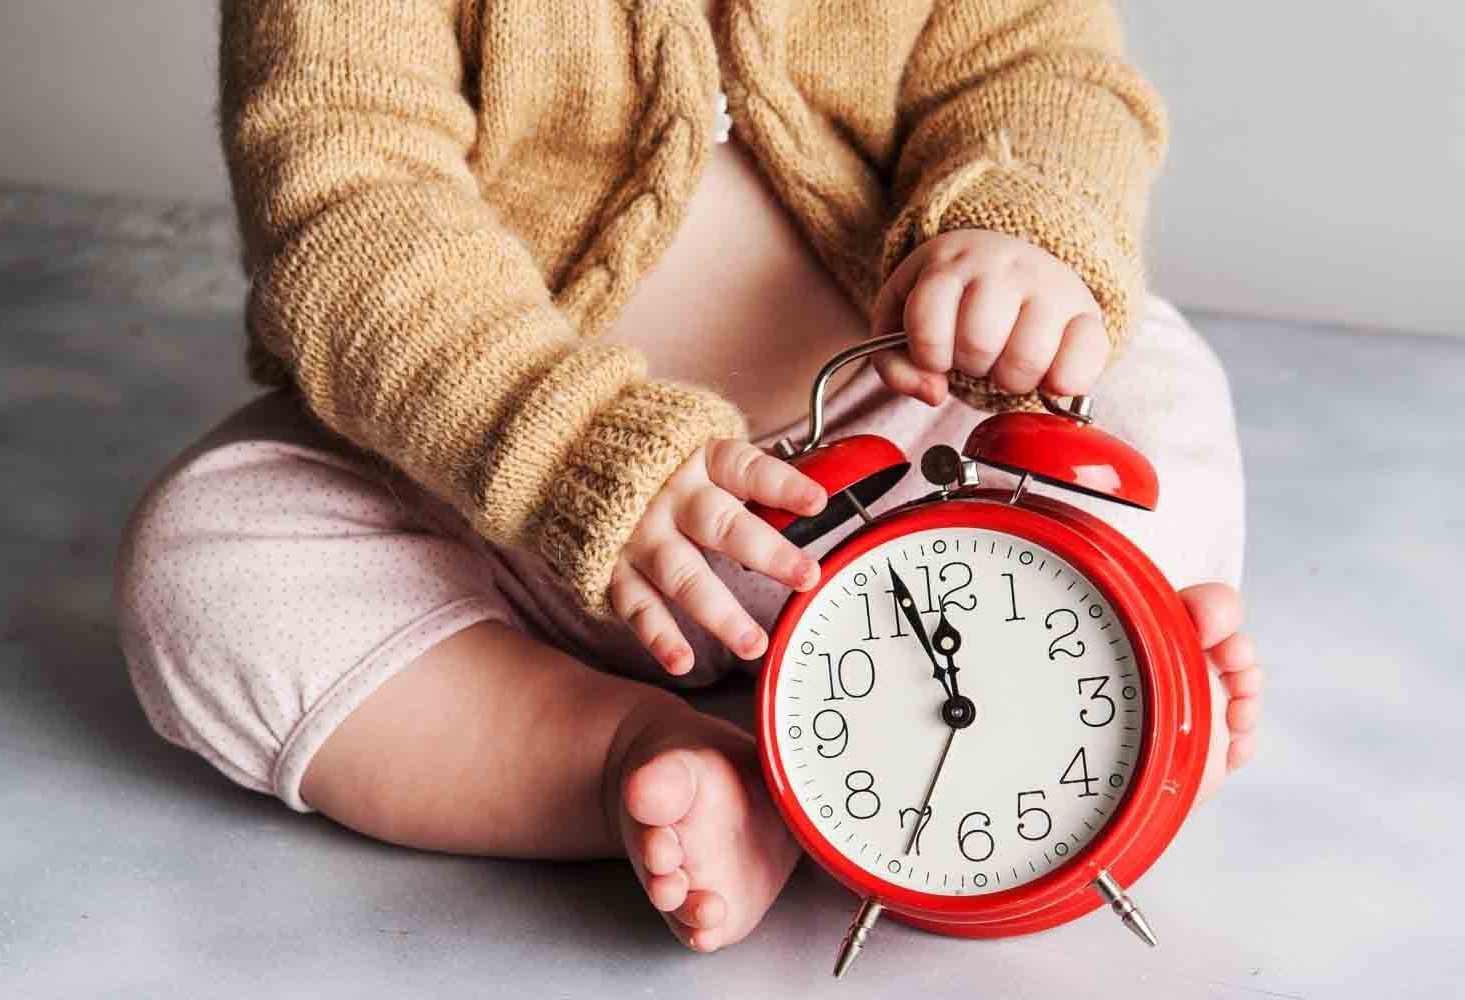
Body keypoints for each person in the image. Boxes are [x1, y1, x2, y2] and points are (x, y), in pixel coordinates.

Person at [116, 0, 1264, 953]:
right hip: (508, 484)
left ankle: (1116, 682)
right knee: (210, 558)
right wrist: (563, 444)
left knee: (1142, 373)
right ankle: (616, 751)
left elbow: (1037, 62)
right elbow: (347, 201)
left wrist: (1022, 233)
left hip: (912, 453)